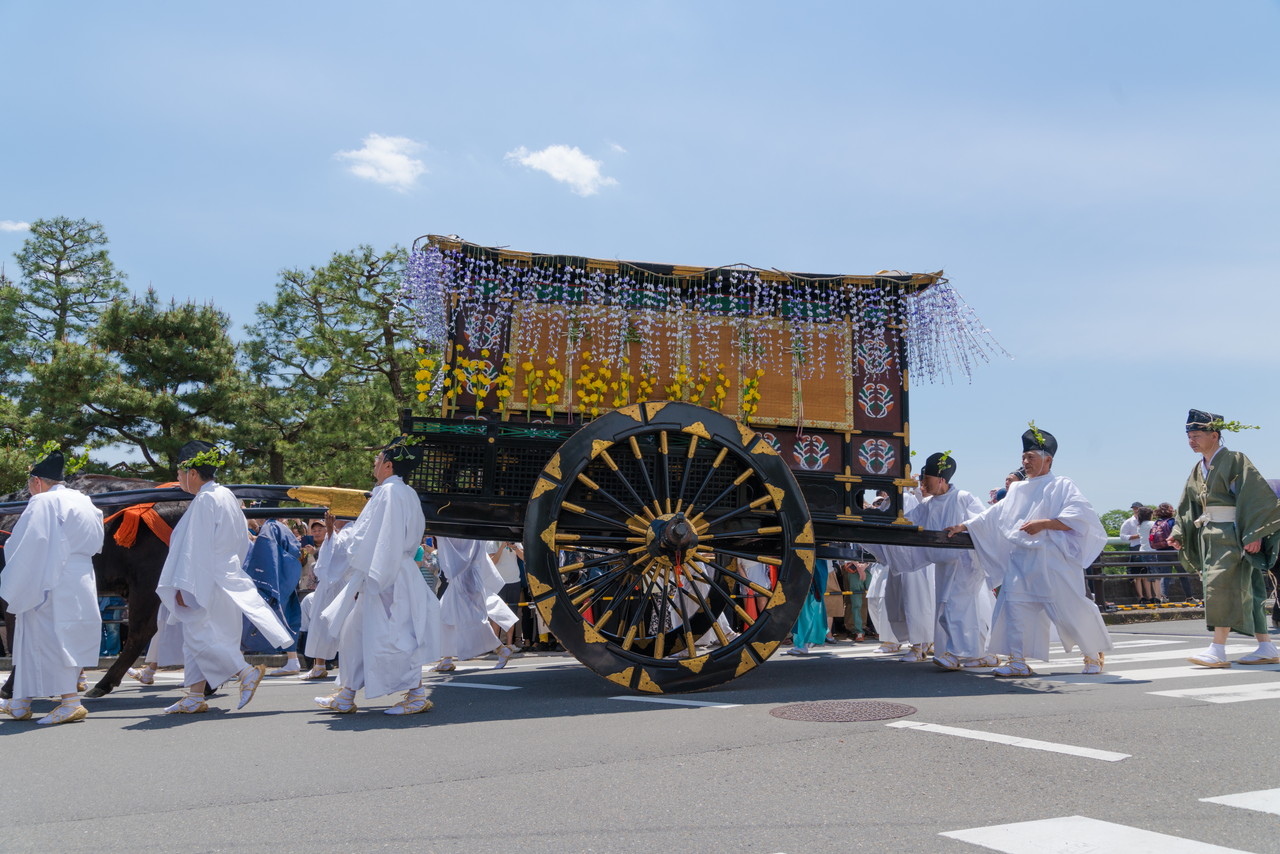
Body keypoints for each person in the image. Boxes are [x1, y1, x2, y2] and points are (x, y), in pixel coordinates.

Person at [945, 426, 1112, 677]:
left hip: (1052, 558)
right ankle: (1017, 661)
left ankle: (1092, 653)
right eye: (1023, 457)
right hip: (1021, 558)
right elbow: (994, 514)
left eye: (1031, 457)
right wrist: (965, 525)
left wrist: (1045, 523)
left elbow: (1081, 518)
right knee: (1014, 606)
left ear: (1048, 459)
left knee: (1069, 608)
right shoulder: (1018, 489)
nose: (1025, 462)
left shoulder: (1062, 485)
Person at [155, 441, 293, 714]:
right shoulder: (226, 496)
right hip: (226, 575)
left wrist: (183, 584)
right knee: (199, 635)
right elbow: (240, 541)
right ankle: (195, 696)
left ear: (192, 472)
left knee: (199, 634)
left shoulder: (206, 499)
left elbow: (195, 548)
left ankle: (244, 672)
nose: (179, 477)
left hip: (205, 578)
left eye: (180, 472)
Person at [314, 437, 442, 714]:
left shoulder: (387, 493)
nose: (374, 464)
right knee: (356, 633)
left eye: (377, 459)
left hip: (385, 573)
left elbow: (371, 537)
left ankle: (417, 694)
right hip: (393, 569)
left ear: (388, 465)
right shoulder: (406, 493)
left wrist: (351, 553)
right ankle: (346, 694)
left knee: (394, 635)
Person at [0, 448, 104, 725]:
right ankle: (21, 700)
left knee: (49, 638)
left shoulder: (43, 501)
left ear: (37, 481)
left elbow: (27, 542)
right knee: (42, 637)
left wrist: (16, 574)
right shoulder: (85, 501)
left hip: (51, 575)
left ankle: (70, 701)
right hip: (80, 574)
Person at [1171, 410, 1280, 668]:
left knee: (1219, 586)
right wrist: (1178, 532)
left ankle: (1217, 649)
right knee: (1249, 590)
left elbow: (1257, 496)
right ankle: (1265, 645)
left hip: (1233, 534)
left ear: (1215, 435)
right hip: (1209, 534)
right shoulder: (1199, 468)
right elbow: (1188, 504)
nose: (1191, 441)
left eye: (1196, 435)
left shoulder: (1234, 459)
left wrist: (1254, 533)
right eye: (1189, 436)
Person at [882, 452, 998, 670]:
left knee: (955, 607)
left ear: (941, 479)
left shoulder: (963, 497)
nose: (924, 484)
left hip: (965, 564)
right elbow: (909, 521)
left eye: (927, 479)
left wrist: (963, 526)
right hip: (943, 565)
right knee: (949, 608)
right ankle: (978, 654)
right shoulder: (928, 504)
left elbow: (985, 519)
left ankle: (953, 654)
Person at [433, 538, 518, 671]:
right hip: (464, 575)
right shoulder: (466, 529)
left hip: (464, 576)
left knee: (474, 618)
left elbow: (457, 552)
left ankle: (501, 649)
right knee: (445, 615)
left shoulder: (458, 529)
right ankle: (447, 658)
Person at [300, 516, 351, 680]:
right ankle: (319, 665)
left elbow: (338, 551)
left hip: (340, 584)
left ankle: (347, 666)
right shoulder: (340, 532)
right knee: (319, 624)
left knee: (346, 626)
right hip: (328, 584)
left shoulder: (350, 530)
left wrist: (329, 529)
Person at [1151, 502, 1192, 602]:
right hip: (1174, 550)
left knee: (1165, 575)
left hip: (1160, 552)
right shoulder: (1172, 521)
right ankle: (1189, 597)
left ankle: (1164, 597)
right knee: (1183, 574)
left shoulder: (1156, 523)